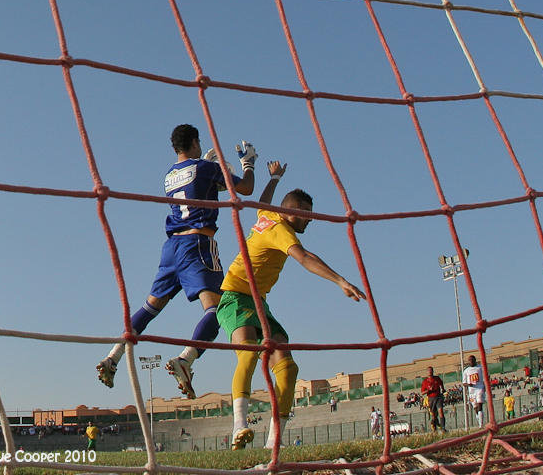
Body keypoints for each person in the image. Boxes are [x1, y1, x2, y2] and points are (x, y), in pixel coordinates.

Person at [96, 124, 255, 397]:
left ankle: (113, 356)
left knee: (150, 308)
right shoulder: (206, 169)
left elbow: (196, 190)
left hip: (171, 248)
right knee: (215, 310)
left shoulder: (169, 175)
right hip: (198, 244)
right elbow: (246, 189)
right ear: (194, 141)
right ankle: (185, 359)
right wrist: (247, 163)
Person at [217, 162, 365, 450]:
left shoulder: (269, 215)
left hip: (259, 302)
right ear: (292, 212)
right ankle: (239, 426)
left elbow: (261, 202)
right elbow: (305, 258)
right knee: (248, 355)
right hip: (235, 294)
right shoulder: (282, 231)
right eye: (306, 215)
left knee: (288, 367)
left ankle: (274, 441)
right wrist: (340, 281)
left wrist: (274, 177)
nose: (310, 220)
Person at [462, 355, 486, 428]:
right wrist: (468, 384)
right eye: (469, 360)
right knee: (475, 407)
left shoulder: (480, 368)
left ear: (475, 360)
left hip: (479, 388)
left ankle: (481, 425)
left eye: (472, 360)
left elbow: (486, 377)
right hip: (471, 391)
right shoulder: (466, 371)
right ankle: (479, 421)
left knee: (479, 405)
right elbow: (463, 383)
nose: (471, 361)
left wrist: (485, 386)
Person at [421, 366, 446, 432]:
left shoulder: (437, 378)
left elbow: (441, 383)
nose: (430, 372)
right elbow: (422, 392)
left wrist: (443, 389)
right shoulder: (425, 381)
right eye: (429, 370)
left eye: (431, 370)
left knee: (441, 412)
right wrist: (428, 390)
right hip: (431, 399)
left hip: (438, 397)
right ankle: (435, 427)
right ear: (427, 372)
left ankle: (443, 428)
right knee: (434, 416)